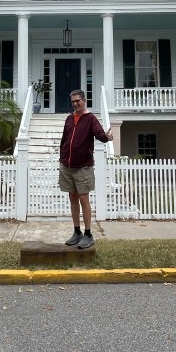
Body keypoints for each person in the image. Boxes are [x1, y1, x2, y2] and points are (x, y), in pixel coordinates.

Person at [59, 89, 113, 249]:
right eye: (73, 101)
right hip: (67, 165)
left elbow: (99, 134)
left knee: (84, 198)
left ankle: (88, 234)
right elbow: (64, 139)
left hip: (83, 166)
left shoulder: (90, 119)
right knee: (72, 197)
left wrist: (106, 137)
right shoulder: (69, 118)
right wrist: (62, 158)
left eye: (78, 101)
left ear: (84, 101)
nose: (75, 104)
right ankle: (77, 232)